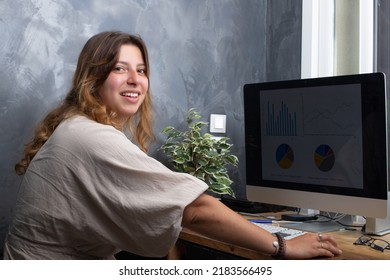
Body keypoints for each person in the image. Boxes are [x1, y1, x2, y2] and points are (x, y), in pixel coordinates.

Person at [3, 31, 342, 260]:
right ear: (93, 79)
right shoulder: (89, 137)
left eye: (141, 69)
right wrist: (282, 246)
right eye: (119, 69)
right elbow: (194, 210)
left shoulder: (76, 127)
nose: (136, 80)